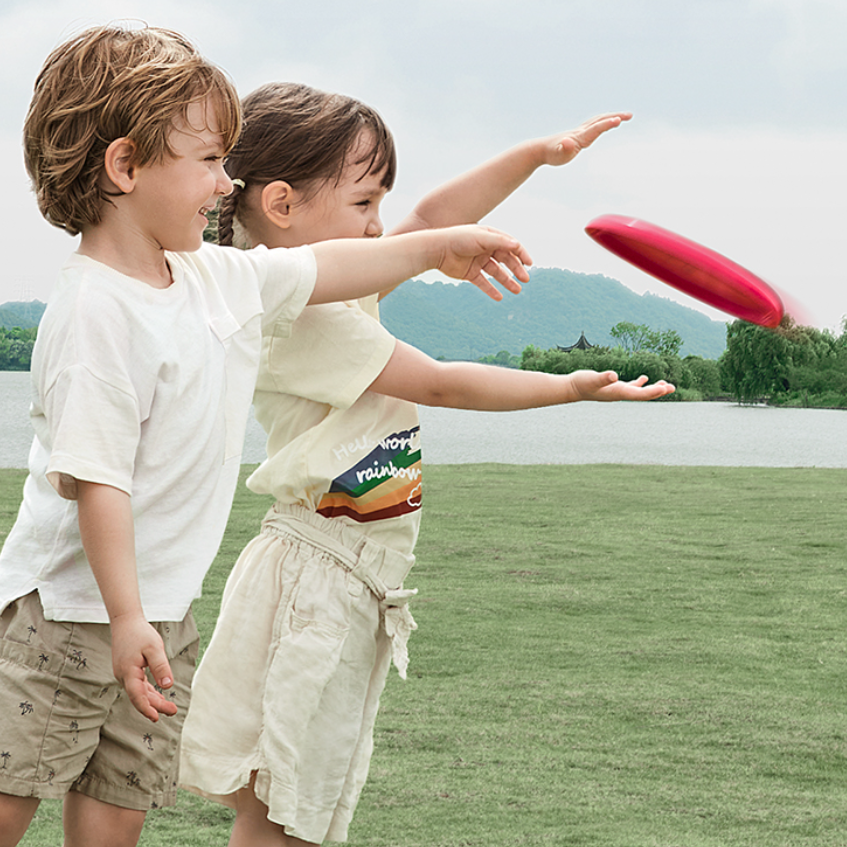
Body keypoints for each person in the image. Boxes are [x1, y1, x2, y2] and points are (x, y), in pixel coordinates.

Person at [0, 29, 533, 847]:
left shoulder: (214, 280)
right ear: (124, 167)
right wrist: (127, 613)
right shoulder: (95, 311)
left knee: (115, 812)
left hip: (160, 610)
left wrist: (441, 248)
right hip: (67, 612)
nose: (225, 183)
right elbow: (97, 478)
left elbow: (330, 269)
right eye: (211, 161)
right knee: (11, 794)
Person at [178, 82, 675, 846]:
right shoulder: (302, 311)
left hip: (341, 568)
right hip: (322, 569)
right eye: (363, 203)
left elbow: (431, 223)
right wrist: (570, 388)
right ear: (281, 205)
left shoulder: (321, 286)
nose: (381, 227)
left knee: (291, 796)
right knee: (285, 803)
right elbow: (438, 381)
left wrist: (536, 155)